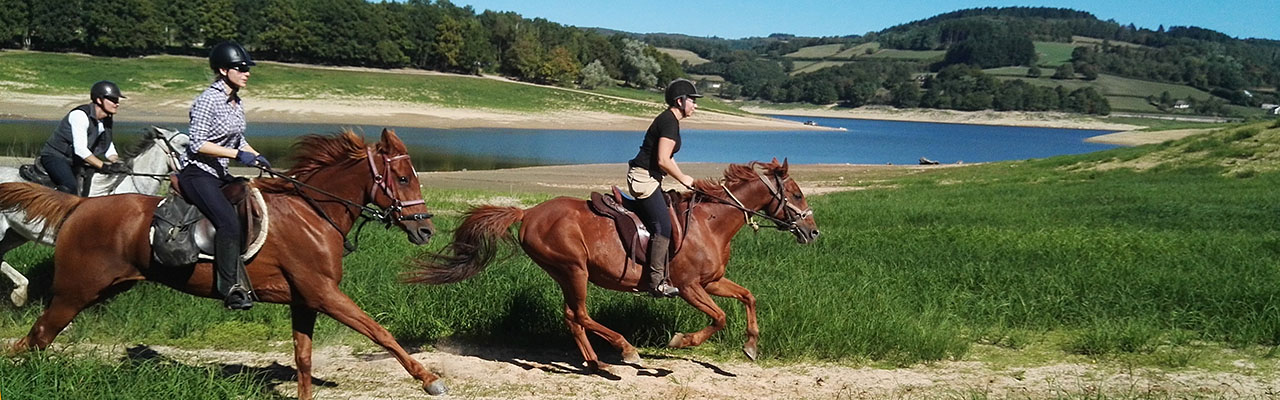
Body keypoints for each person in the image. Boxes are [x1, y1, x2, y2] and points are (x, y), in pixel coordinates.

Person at [180, 41, 270, 310]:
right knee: (228, 223)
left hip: (219, 172)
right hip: (198, 173)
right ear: (223, 70)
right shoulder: (208, 100)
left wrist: (255, 155)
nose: (247, 73)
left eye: (247, 68)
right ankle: (229, 289)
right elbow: (196, 143)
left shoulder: (236, 101)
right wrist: (236, 156)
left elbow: (237, 138)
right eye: (241, 68)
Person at [625, 78, 702, 298]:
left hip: (651, 178)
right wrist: (682, 179)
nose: (695, 105)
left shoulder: (670, 121)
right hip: (644, 180)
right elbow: (662, 160)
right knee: (663, 227)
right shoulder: (669, 122)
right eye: (693, 101)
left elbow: (668, 158)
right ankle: (656, 282)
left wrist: (685, 177)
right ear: (680, 101)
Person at [40, 81, 130, 195]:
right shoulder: (80, 115)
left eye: (117, 100)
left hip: (75, 160)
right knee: (70, 186)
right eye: (113, 100)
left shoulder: (106, 119)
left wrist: (116, 162)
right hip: (55, 157)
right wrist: (103, 166)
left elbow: (107, 145)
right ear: (99, 100)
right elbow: (80, 149)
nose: (117, 104)